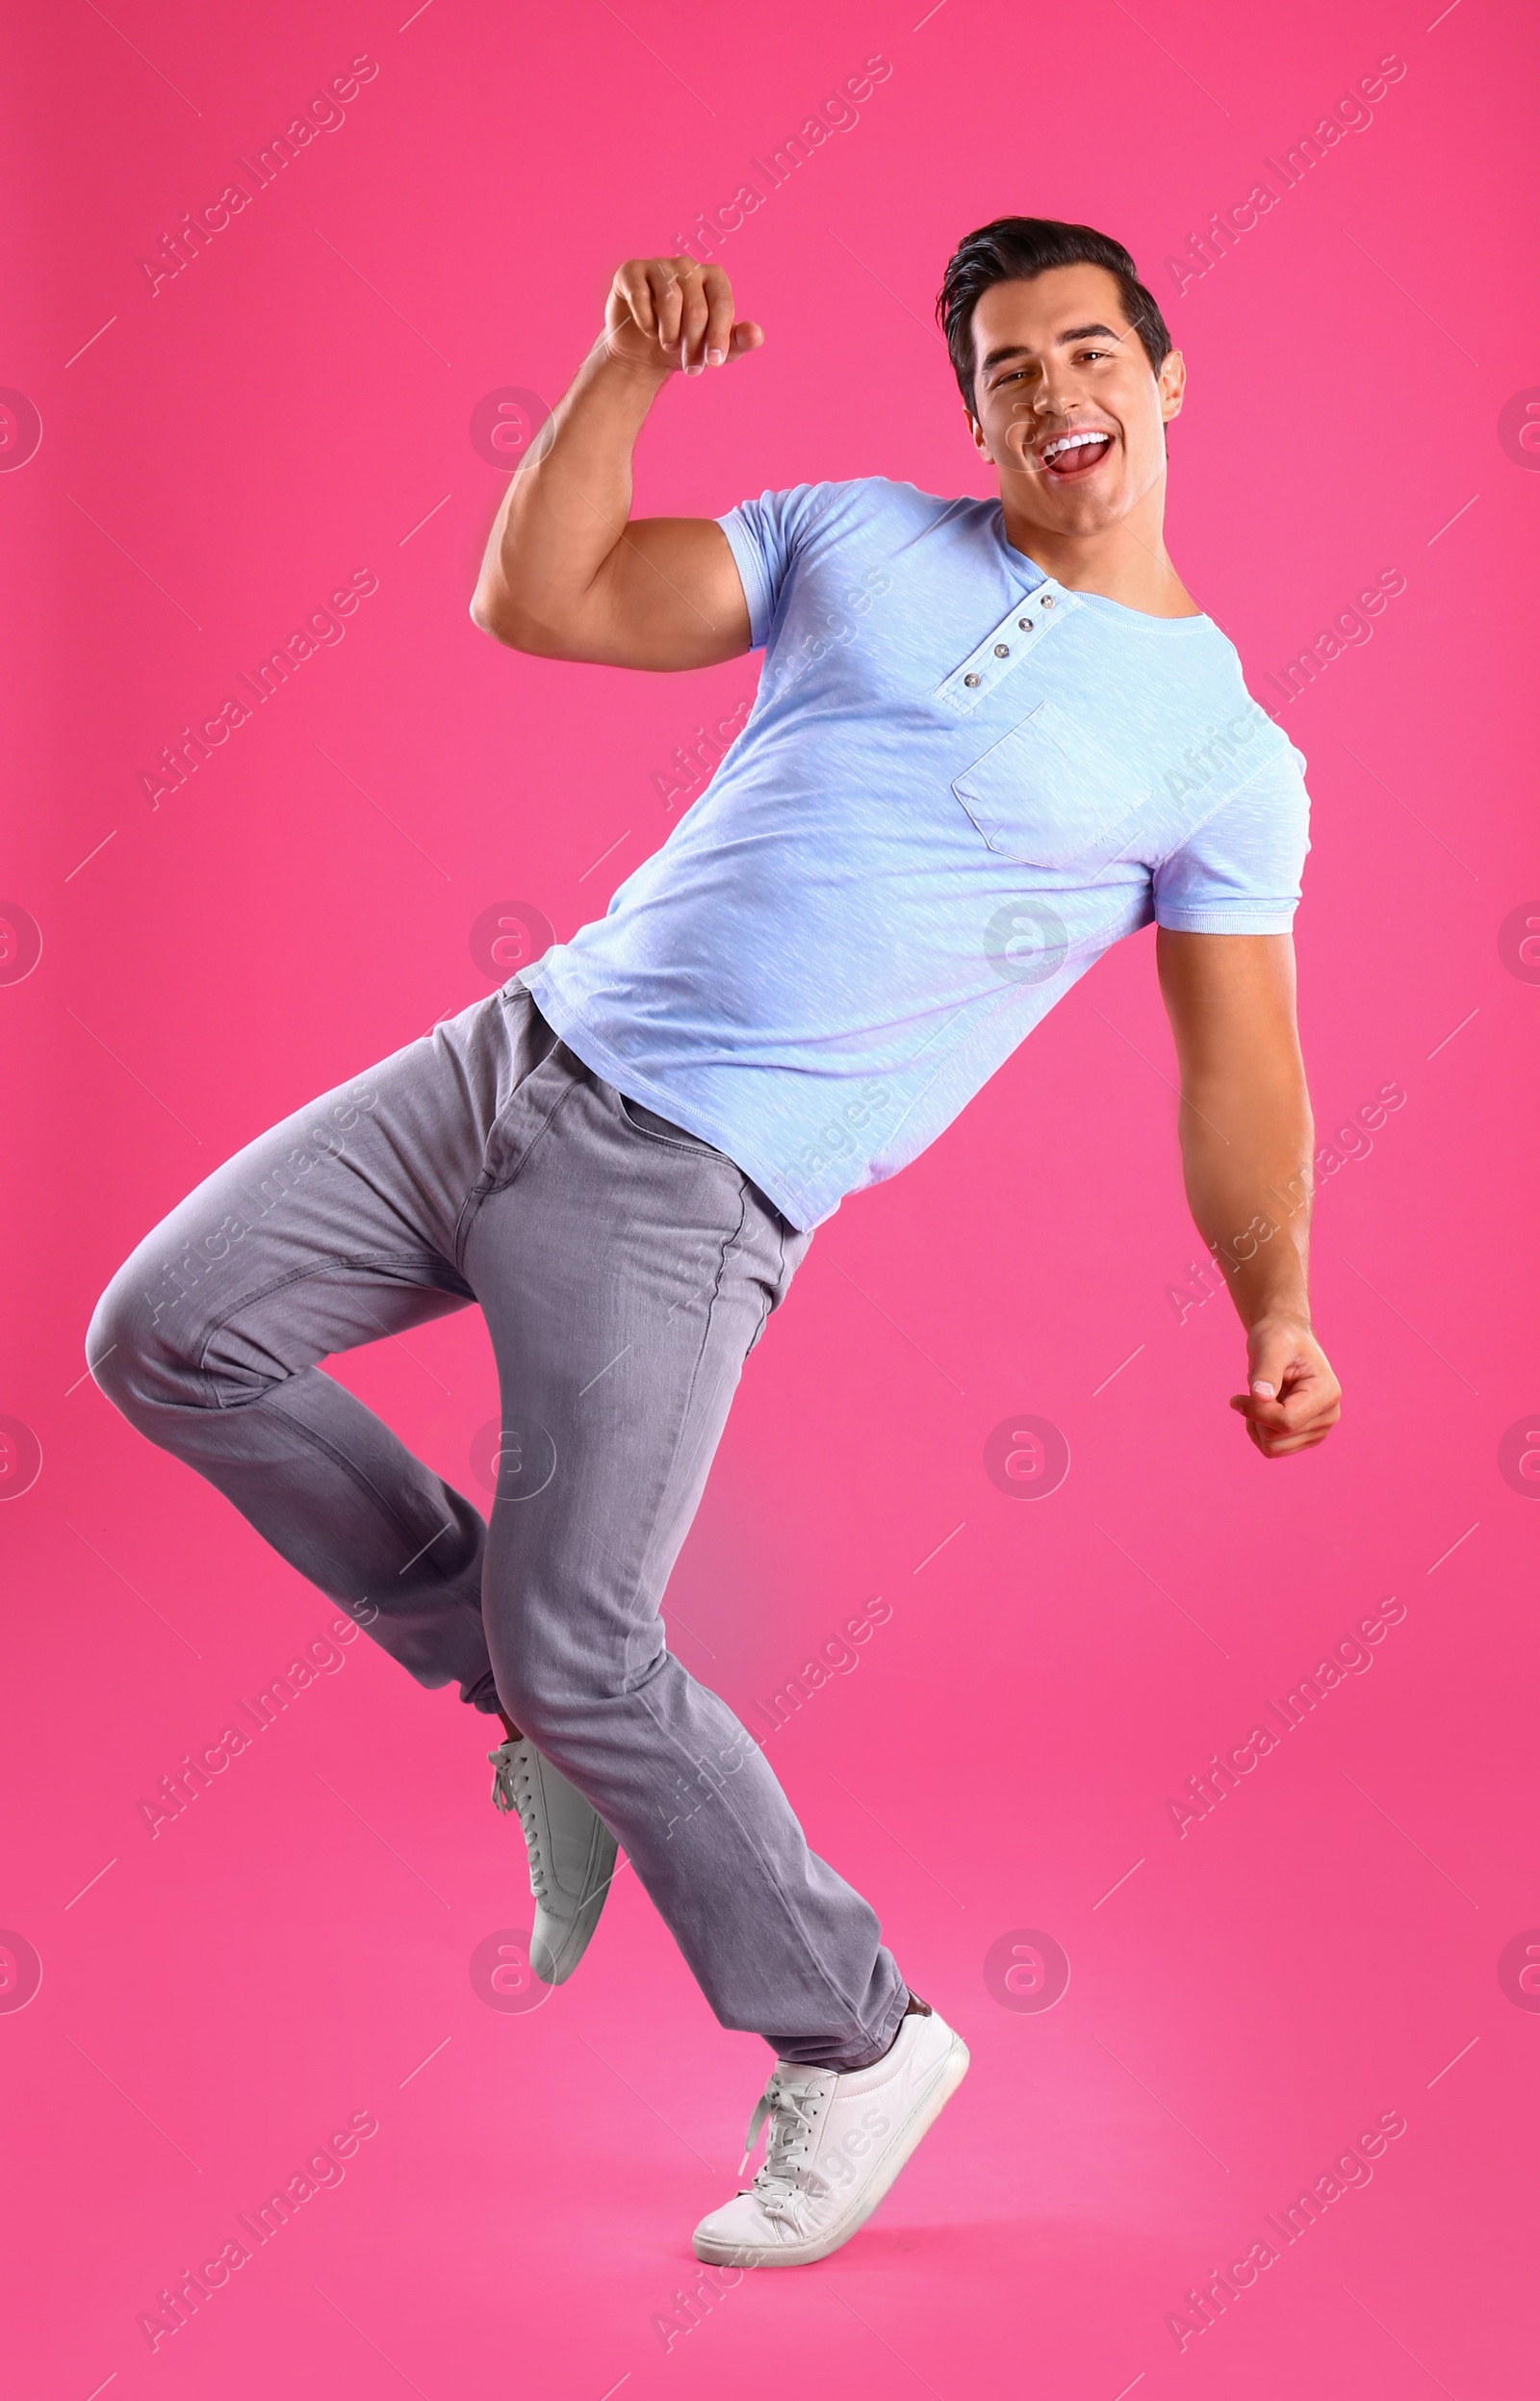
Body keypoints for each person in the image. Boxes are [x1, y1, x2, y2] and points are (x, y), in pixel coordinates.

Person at [89, 216, 1342, 2269]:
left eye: (1089, 352)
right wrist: (620, 368)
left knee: (589, 1636)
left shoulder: (1225, 759)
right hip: (508, 1054)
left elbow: (1242, 1076)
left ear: (1164, 377)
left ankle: (856, 2036)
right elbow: (541, 594)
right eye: (1010, 369)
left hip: (689, 1188)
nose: (1055, 395)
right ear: (971, 413)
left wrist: (1275, 1292)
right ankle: (534, 1704)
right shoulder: (856, 534)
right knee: (166, 1328)